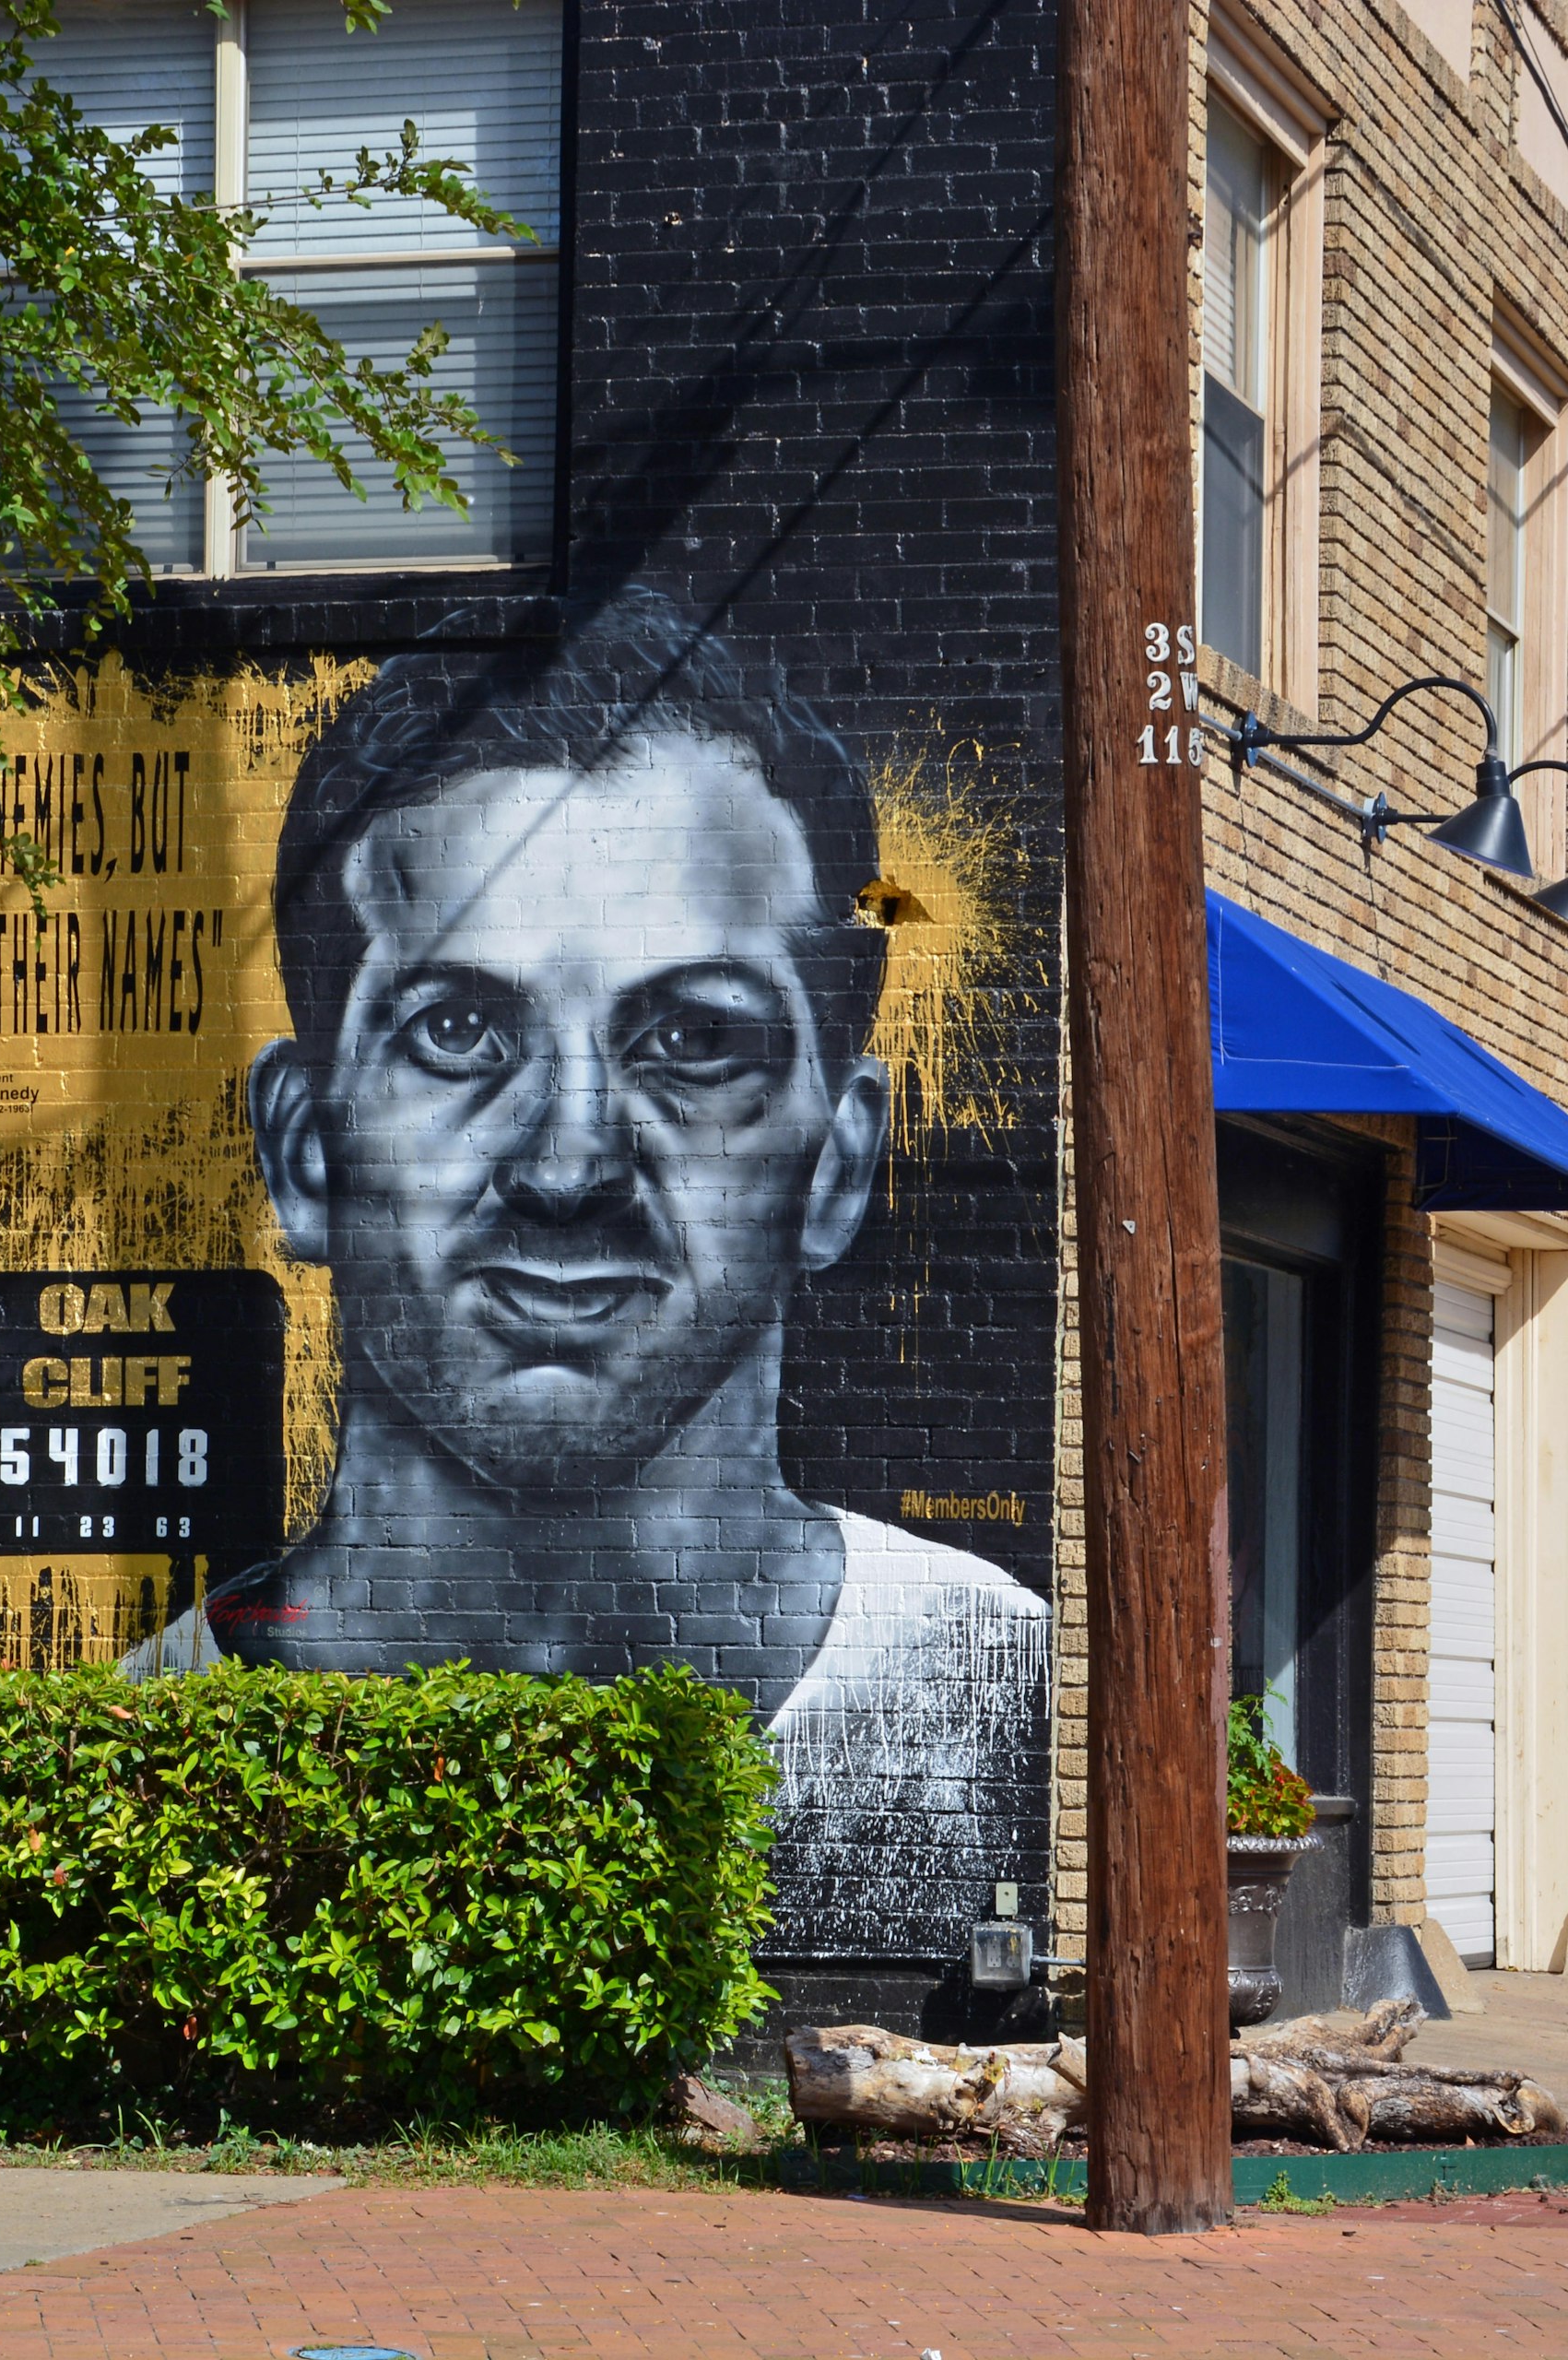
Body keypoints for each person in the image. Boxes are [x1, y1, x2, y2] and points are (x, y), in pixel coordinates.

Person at [132, 592, 1045, 1955]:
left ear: (840, 1163)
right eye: (453, 1030)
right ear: (303, 1149)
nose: (569, 1168)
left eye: (691, 1041)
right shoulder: (143, 1733)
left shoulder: (1011, 1697)